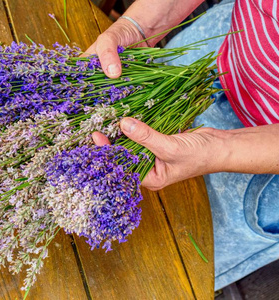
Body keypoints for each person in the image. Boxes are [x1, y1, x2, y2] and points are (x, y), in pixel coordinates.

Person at [88, 0, 279, 290]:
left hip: (262, 157)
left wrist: (221, 148)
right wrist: (137, 26)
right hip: (230, 39)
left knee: (150, 276)